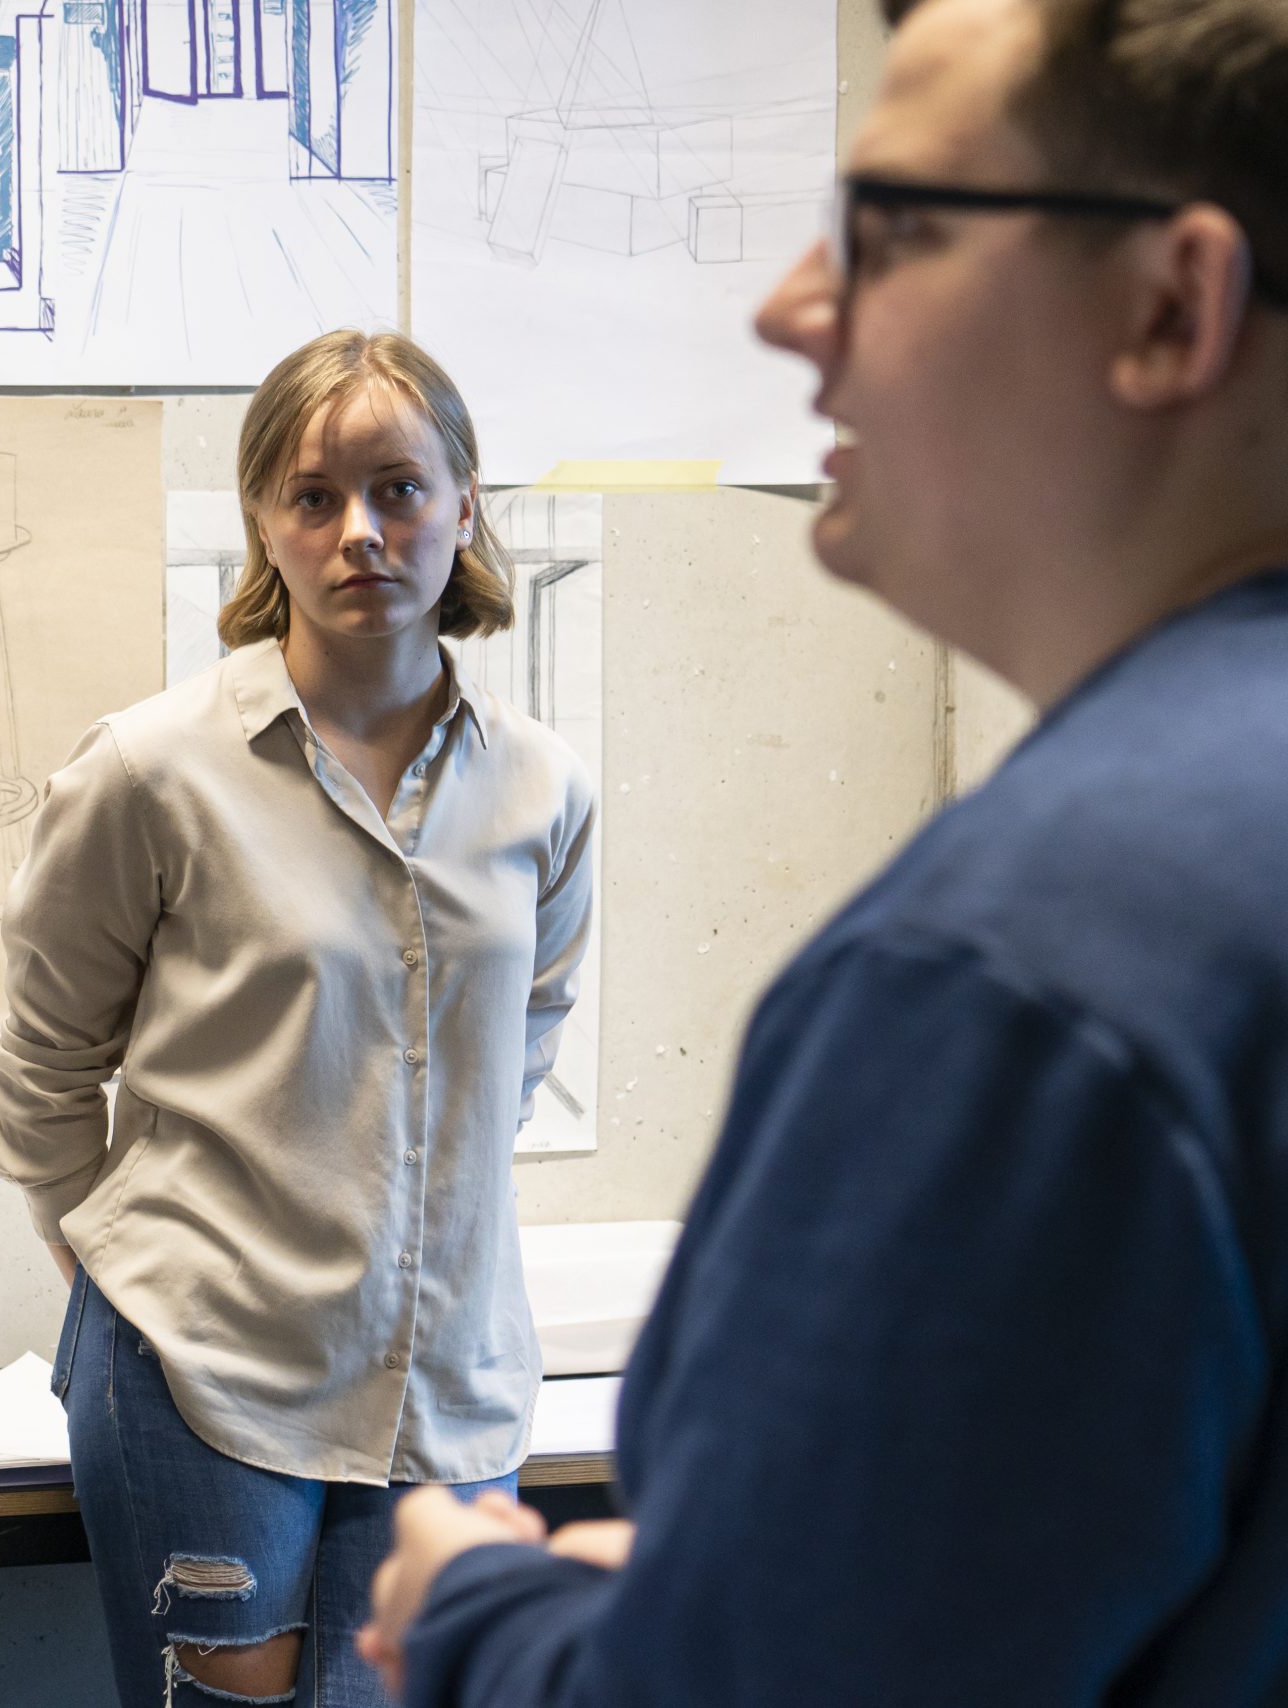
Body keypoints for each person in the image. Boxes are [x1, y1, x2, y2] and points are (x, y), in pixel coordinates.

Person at [359, 0, 1288, 1701]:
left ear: (1171, 306)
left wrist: (488, 1614)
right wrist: (756, 1585)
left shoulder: (1024, 971)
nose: (790, 308)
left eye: (893, 230)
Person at [0, 328, 598, 1707]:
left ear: (465, 505)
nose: (360, 531)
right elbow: (44, 1066)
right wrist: (119, 1270)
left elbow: (530, 1023)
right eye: (314, 497)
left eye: (400, 488)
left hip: (453, 1379)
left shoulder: (543, 788)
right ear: (265, 521)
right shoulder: (150, 770)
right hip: (204, 1365)